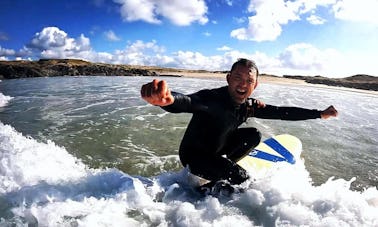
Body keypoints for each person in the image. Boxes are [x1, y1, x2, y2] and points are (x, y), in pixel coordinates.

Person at [140, 58, 338, 187]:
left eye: (249, 80)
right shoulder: (213, 99)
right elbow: (189, 101)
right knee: (242, 180)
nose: (243, 84)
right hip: (195, 157)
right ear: (228, 78)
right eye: (238, 78)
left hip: (217, 151)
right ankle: (205, 188)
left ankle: (222, 170)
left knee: (254, 135)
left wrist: (319, 114)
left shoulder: (249, 106)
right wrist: (167, 100)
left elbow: (282, 112)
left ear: (255, 85)